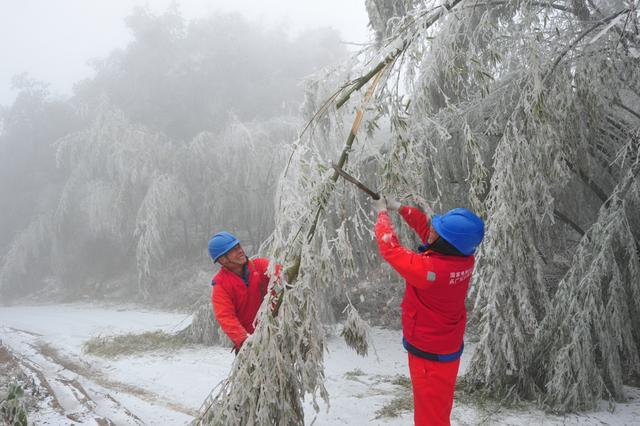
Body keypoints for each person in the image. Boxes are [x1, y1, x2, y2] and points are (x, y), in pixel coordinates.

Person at [372, 197, 484, 426]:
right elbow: (426, 228)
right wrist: (401, 208)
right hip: (445, 348)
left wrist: (383, 215)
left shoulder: (430, 272)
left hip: (429, 358)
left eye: (437, 230)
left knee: (429, 419)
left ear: (446, 242)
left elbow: (390, 249)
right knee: (437, 410)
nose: (431, 230)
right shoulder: (463, 258)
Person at [207, 231, 279, 353]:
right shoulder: (221, 285)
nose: (240, 250)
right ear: (222, 259)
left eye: (239, 246)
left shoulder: (260, 266)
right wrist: (246, 342)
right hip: (249, 347)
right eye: (234, 249)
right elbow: (226, 317)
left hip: (276, 337)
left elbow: (282, 275)